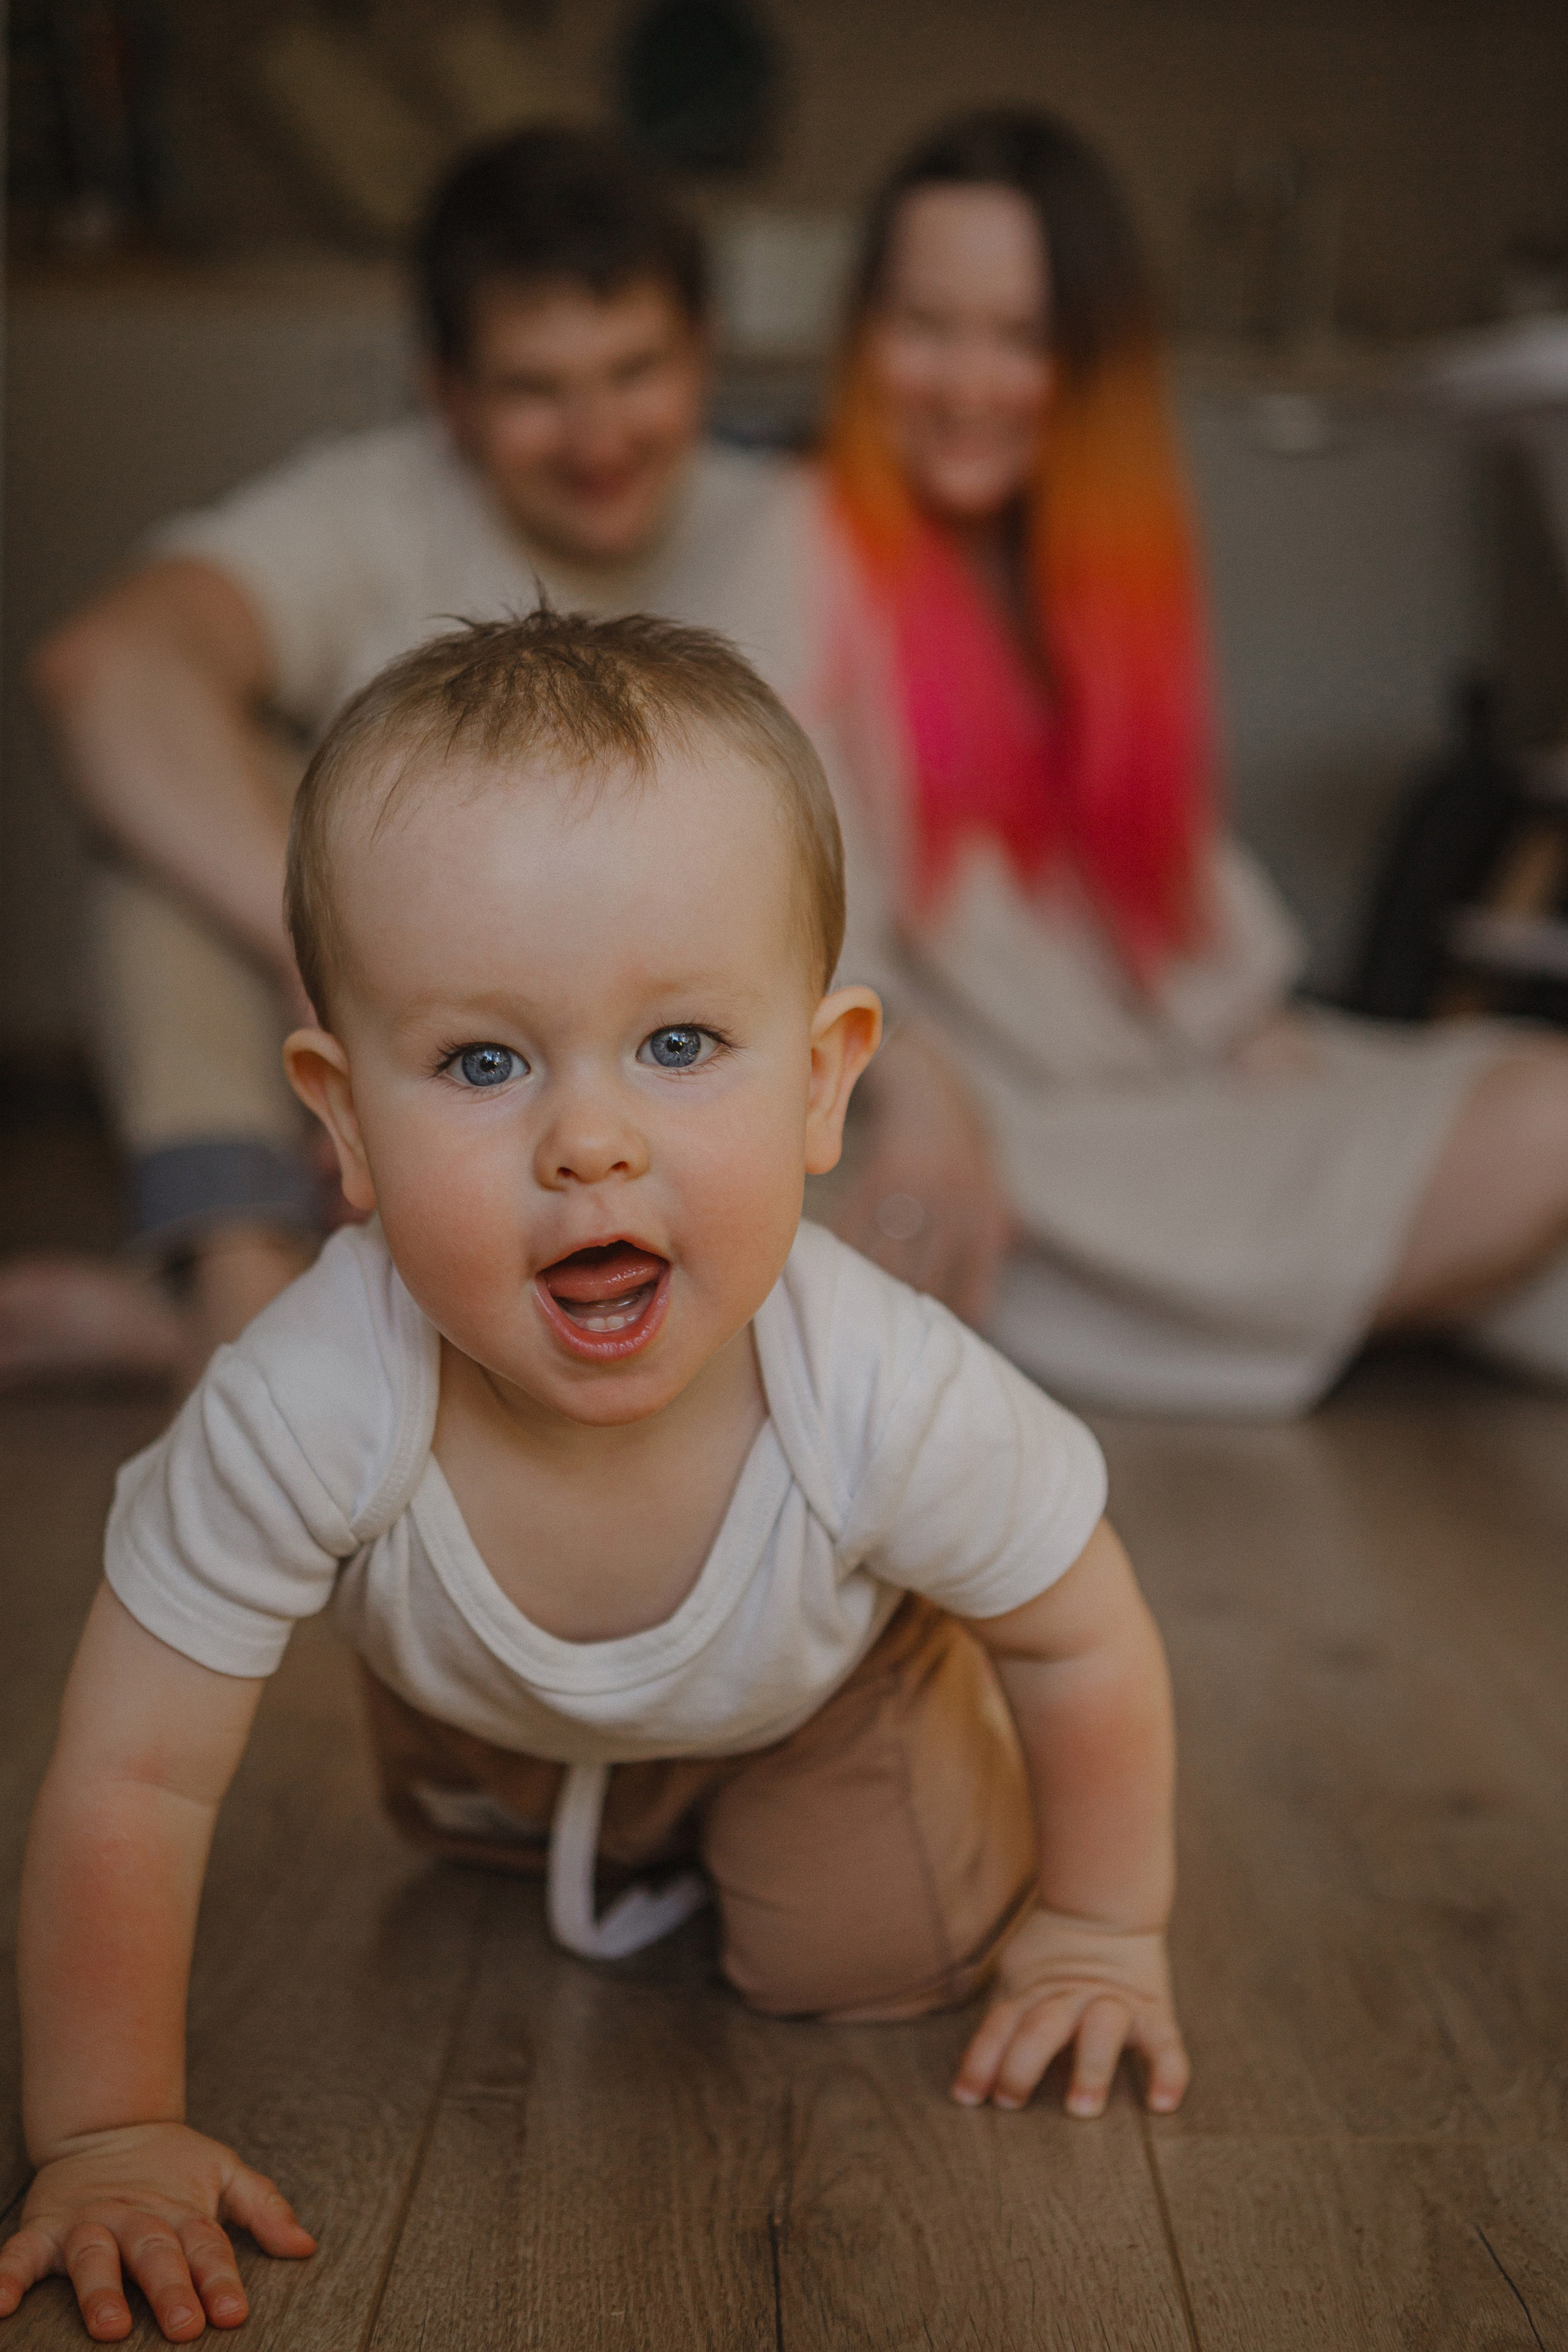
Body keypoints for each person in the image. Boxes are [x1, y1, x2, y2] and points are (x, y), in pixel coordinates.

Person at [0, 612, 1187, 2342]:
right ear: (342, 1127)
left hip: (817, 1698)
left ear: (824, 1081)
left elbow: (1085, 1633)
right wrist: (104, 2132)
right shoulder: (308, 1398)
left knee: (856, 1964)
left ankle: (899, 1749)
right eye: (483, 1063)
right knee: (450, 1810)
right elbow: (131, 1781)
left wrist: (1100, 1923)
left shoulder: (879, 1384)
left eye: (683, 1045)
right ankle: (604, 1801)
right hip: (486, 1714)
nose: (591, 1139)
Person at [722, 110, 1568, 1415]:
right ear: (861, 333)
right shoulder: (797, 538)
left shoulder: (1084, 574)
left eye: (1019, 338)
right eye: (924, 326)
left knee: (1515, 1107)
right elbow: (738, 892)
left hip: (1158, 1089)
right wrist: (913, 1079)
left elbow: (1194, 940)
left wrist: (1299, 1071)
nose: (965, 382)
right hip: (1011, 1141)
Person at [6, 126, 782, 1387]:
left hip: (654, 1119)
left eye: (634, 370)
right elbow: (105, 672)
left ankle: (211, 1350)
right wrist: (322, 953)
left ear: (700, 354)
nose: (596, 433)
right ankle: (241, 1296)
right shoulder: (379, 506)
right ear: (449, 396)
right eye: (536, 388)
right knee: (174, 828)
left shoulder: (797, 534)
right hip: (413, 1105)